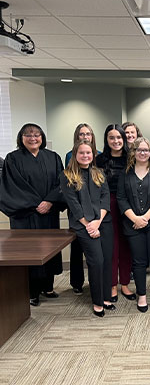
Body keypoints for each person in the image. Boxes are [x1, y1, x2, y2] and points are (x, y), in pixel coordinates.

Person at [0, 123, 64, 307]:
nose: (33, 138)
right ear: (21, 138)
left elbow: (61, 182)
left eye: (36, 134)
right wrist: (36, 204)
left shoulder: (53, 157)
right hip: (25, 215)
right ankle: (32, 292)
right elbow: (13, 186)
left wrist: (50, 201)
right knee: (29, 253)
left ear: (42, 137)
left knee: (49, 250)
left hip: (48, 213)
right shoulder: (13, 159)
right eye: (28, 135)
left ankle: (48, 287)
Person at [60, 140, 114, 317]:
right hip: (83, 225)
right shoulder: (67, 175)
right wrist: (89, 225)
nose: (85, 156)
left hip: (102, 223)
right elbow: (74, 205)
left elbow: (105, 198)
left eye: (89, 153)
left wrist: (98, 221)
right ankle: (97, 301)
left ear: (93, 155)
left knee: (106, 260)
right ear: (75, 155)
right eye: (82, 153)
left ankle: (106, 297)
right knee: (96, 261)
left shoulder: (99, 173)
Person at [117, 137, 150, 312]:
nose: (142, 153)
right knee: (138, 262)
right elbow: (121, 199)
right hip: (133, 225)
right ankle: (141, 296)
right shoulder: (125, 173)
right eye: (139, 150)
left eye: (146, 150)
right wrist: (135, 219)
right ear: (133, 152)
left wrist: (144, 218)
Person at [96, 124, 135, 302]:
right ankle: (112, 284)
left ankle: (125, 283)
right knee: (111, 246)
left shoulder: (132, 159)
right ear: (107, 140)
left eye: (119, 137)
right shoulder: (99, 160)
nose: (116, 141)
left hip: (129, 205)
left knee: (127, 244)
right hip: (108, 204)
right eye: (112, 138)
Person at [65, 123, 100, 295]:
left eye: (88, 134)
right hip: (79, 214)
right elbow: (69, 188)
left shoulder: (98, 157)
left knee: (97, 256)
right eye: (81, 134)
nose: (85, 136)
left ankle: (97, 289)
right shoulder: (69, 157)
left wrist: (96, 221)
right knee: (77, 249)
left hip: (96, 213)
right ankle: (77, 283)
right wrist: (87, 223)